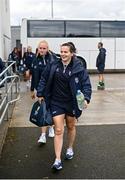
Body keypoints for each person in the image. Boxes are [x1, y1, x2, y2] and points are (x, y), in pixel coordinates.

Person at [37, 43, 92, 170]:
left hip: (72, 103)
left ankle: (70, 148)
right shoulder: (53, 65)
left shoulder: (79, 67)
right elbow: (44, 78)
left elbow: (86, 84)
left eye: (65, 52)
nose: (62, 54)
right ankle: (57, 160)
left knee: (71, 126)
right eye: (61, 51)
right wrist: (40, 93)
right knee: (58, 130)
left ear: (72, 53)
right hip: (56, 102)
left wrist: (86, 98)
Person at [30, 40, 57, 144]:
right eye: (40, 48)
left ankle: (51, 127)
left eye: (44, 48)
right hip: (40, 90)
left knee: (51, 110)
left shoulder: (52, 59)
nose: (42, 50)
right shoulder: (35, 59)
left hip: (52, 89)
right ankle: (43, 135)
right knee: (42, 111)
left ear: (47, 49)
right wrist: (33, 90)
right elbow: (33, 76)